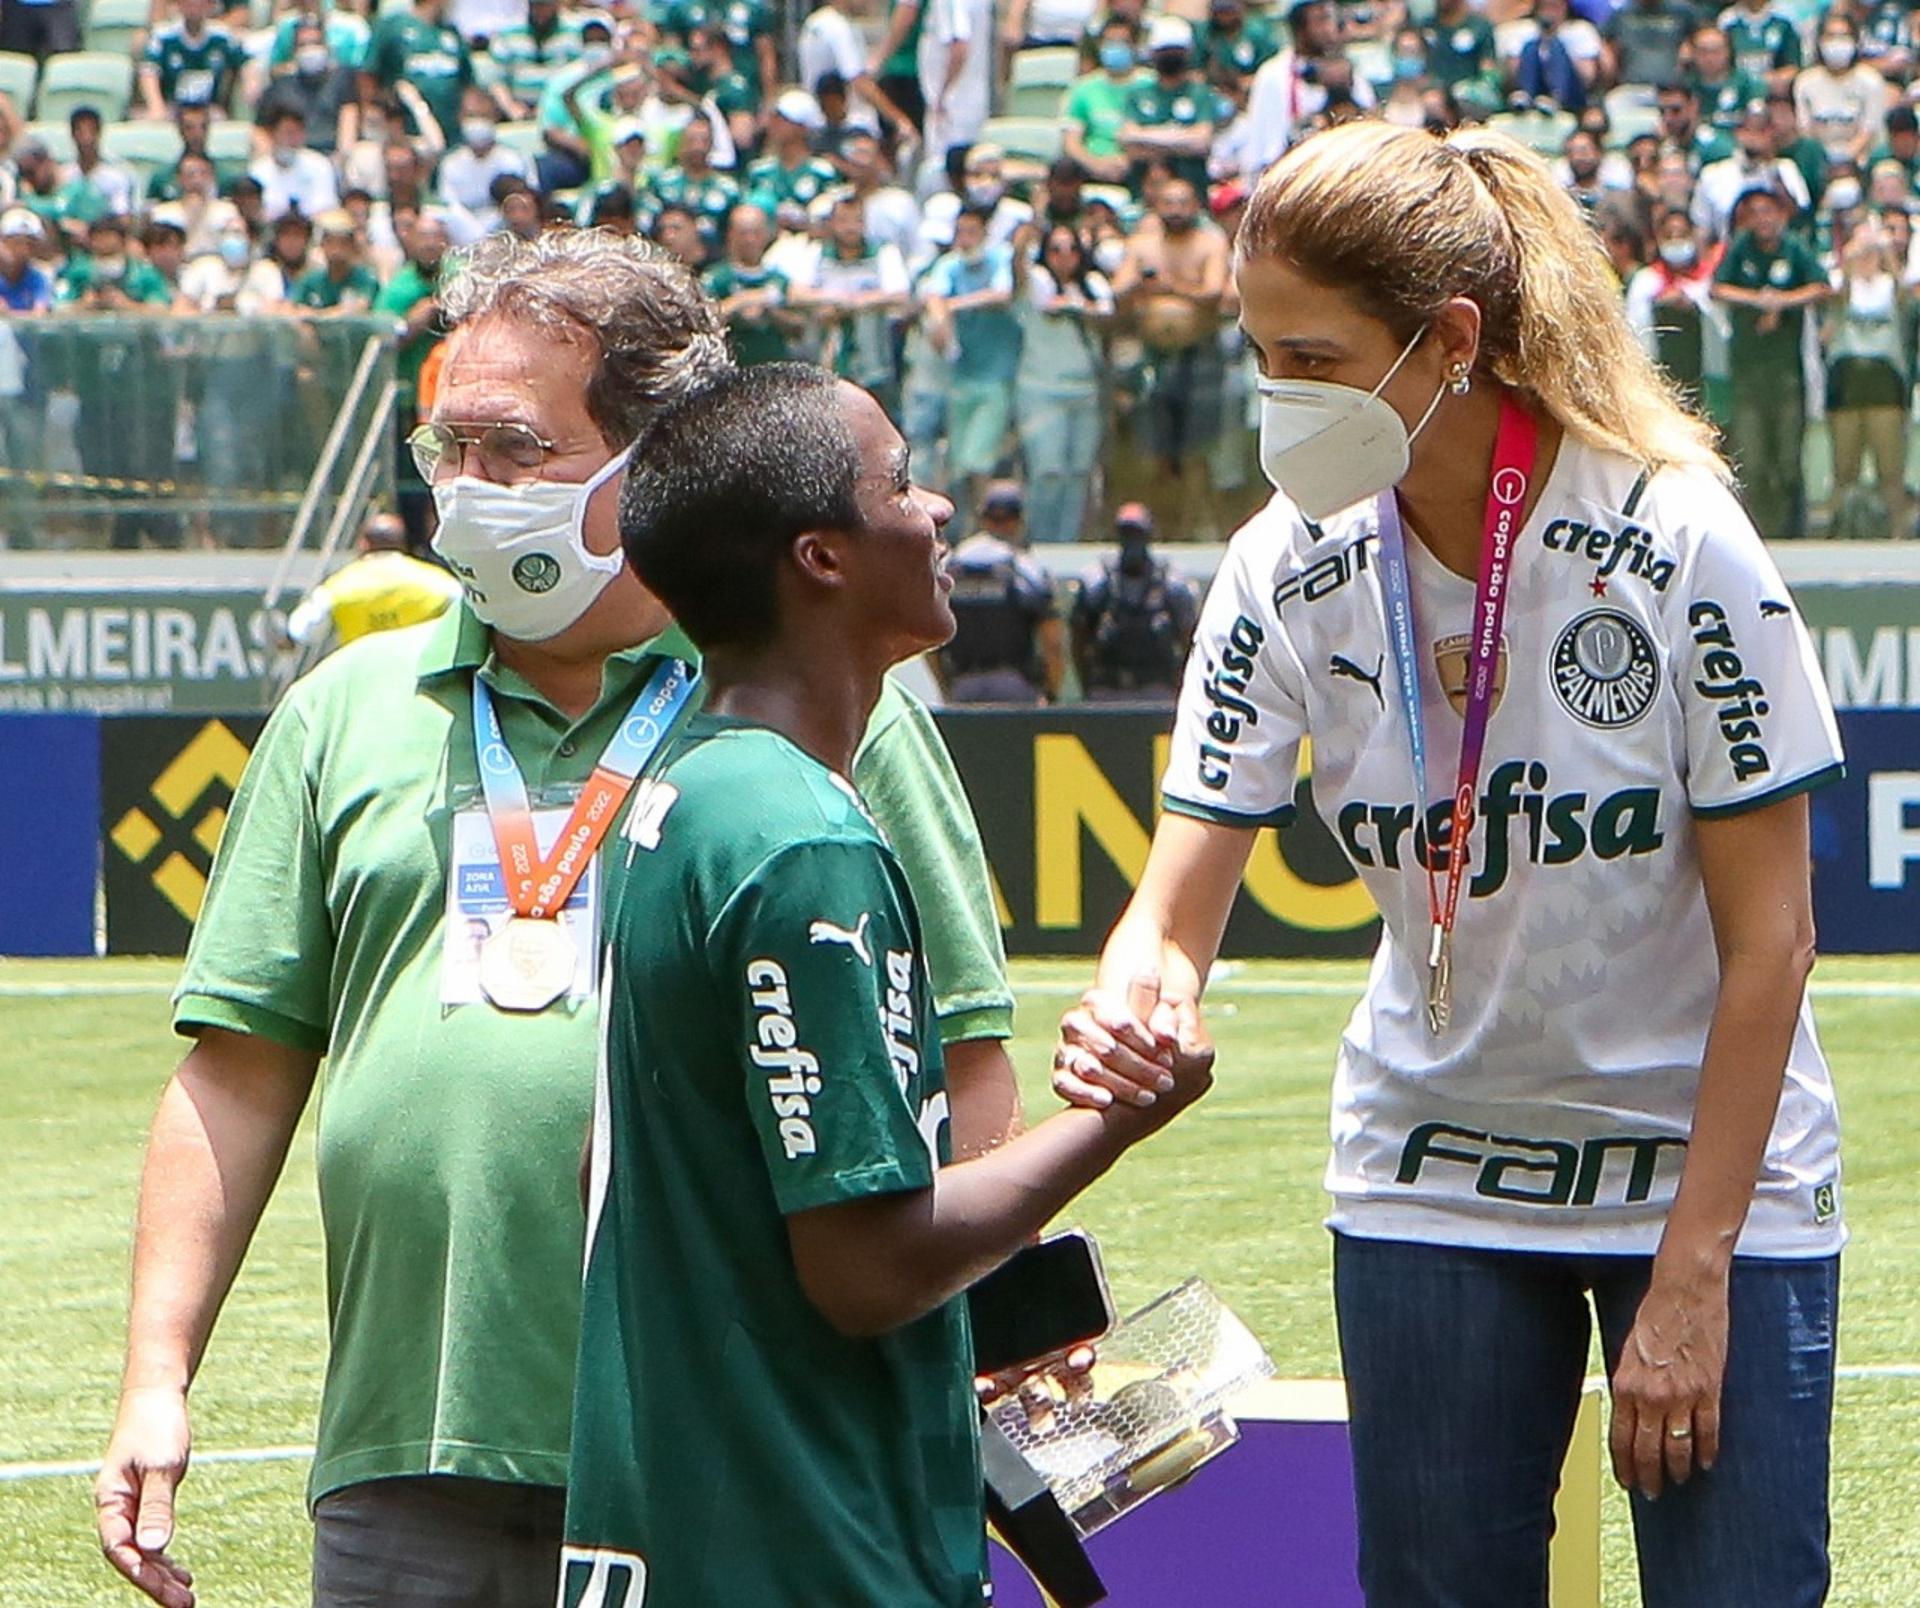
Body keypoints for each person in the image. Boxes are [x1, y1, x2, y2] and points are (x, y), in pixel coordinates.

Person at [94, 230, 1025, 1608]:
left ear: (648, 463)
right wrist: (155, 1380)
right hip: (412, 1451)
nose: (463, 494)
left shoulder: (827, 709)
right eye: (443, 453)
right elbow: (236, 1075)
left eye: (513, 450)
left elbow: (959, 1055)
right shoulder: (345, 710)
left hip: (722, 1441)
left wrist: (937, 1357)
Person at [1054, 120, 1846, 1608]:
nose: (1278, 399)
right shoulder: (1282, 566)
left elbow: (1776, 941)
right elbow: (1175, 903)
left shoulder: (1678, 544)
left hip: (1708, 1175)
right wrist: (1139, 1001)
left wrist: (1694, 1274)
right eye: (1260, 354)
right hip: (1431, 1173)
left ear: (1452, 340)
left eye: (1317, 359)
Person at [567, 360, 1210, 1606]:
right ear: (822, 557)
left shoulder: (691, 791)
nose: (939, 512)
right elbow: (864, 1272)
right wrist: (1118, 1116)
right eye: (904, 484)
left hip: (709, 1513)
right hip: (802, 1537)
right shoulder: (797, 839)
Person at [1110, 175, 1231, 538]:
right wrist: (1139, 282)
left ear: (1196, 206)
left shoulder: (1210, 242)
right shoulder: (1142, 245)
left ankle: (1195, 526)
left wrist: (1170, 286)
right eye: (1168, 203)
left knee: (1197, 450)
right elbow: (1118, 290)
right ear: (1156, 206)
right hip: (1154, 357)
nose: (1176, 210)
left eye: (1183, 202)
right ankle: (1158, 525)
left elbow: (1213, 292)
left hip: (1199, 356)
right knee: (1154, 451)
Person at [1712, 181, 1828, 536]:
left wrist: (1782, 301)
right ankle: (1756, 533)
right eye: (1756, 212)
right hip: (1748, 376)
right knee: (1752, 458)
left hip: (1786, 376)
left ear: (1781, 215)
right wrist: (1757, 300)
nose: (1763, 219)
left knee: (1788, 460)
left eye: (1769, 211)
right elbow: (1717, 288)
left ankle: (1791, 532)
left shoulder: (1794, 248)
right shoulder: (1740, 249)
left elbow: (1822, 287)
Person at [1013, 220, 1113, 543]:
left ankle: (1065, 543)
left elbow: (1106, 314)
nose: (1064, 257)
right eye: (1055, 250)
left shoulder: (1093, 284)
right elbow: (1024, 279)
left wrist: (1078, 306)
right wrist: (1022, 243)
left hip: (1085, 390)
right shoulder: (1037, 282)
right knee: (1048, 472)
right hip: (1042, 390)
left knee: (1079, 474)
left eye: (1072, 249)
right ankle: (1040, 541)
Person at [921, 204, 1022, 517]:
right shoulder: (949, 266)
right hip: (961, 376)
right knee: (960, 462)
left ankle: (988, 524)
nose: (964, 239)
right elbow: (935, 300)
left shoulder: (1000, 260)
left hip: (997, 376)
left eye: (971, 232)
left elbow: (1003, 295)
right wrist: (942, 323)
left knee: (980, 458)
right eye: (960, 232)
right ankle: (965, 527)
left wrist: (955, 305)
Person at [935, 479, 1064, 702]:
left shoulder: (952, 566)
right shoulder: (1025, 568)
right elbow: (1053, 643)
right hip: (1016, 688)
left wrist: (946, 687)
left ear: (983, 518)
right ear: (1019, 521)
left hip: (964, 686)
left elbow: (931, 639)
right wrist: (1051, 693)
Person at [1822, 217, 1910, 537]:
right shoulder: (1843, 288)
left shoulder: (1892, 288)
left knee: (1890, 467)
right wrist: (1850, 259)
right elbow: (1834, 307)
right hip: (1848, 381)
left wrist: (1886, 254)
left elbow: (1904, 294)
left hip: (1884, 382)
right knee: (1844, 467)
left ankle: (1898, 530)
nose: (1867, 258)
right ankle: (1837, 529)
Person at [1069, 500, 1198, 699]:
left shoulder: (1171, 583)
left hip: (1157, 690)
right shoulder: (1098, 582)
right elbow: (1078, 640)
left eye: (1137, 534)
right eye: (1126, 534)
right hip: (1108, 689)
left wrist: (1182, 690)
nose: (1132, 541)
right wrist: (1089, 687)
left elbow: (1190, 642)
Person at [284, 511, 464, 648]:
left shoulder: (338, 586)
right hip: (419, 680)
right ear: (403, 543)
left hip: (360, 681)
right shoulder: (437, 581)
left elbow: (302, 630)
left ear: (364, 544)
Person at [705, 202, 802, 365]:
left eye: (756, 232)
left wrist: (770, 312)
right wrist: (739, 303)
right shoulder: (716, 278)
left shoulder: (779, 279)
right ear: (731, 235)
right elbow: (704, 319)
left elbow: (799, 328)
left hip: (773, 369)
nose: (750, 239)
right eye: (743, 233)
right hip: (731, 369)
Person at [1794, 13, 1887, 167]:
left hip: (1861, 161)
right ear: (1819, 41)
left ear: (1855, 41)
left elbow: (1869, 131)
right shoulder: (1805, 82)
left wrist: (1843, 159)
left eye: (1844, 36)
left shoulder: (1871, 81)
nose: (1837, 42)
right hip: (1818, 163)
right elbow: (1805, 131)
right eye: (1831, 36)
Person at [1065, 13, 1145, 185]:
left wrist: (1128, 161)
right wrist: (1097, 165)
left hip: (1139, 169)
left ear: (1135, 46)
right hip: (1091, 170)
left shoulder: (1150, 84)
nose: (1115, 48)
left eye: (1122, 43)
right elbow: (1071, 143)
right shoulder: (1083, 88)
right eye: (1110, 43)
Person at [138, 0, 246, 119]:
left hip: (210, 109)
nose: (194, 9)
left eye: (200, 4)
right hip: (172, 107)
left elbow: (245, 62)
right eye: (189, 4)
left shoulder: (222, 35)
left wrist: (250, 83)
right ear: (179, 5)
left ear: (211, 6)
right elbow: (148, 71)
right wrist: (156, 106)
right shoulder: (163, 36)